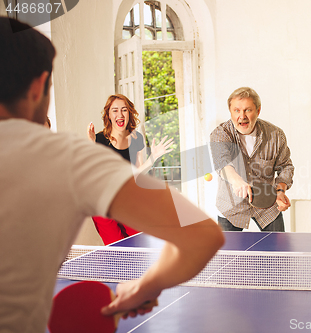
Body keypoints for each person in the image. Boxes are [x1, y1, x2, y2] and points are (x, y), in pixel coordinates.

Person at [0, 17, 224, 333]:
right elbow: (203, 235)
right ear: (38, 87)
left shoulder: (121, 143)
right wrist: (147, 285)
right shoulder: (70, 157)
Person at [87, 94, 174, 244]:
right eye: (114, 110)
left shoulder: (136, 139)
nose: (120, 114)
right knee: (117, 246)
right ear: (108, 114)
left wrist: (152, 159)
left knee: (139, 241)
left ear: (129, 113)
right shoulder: (99, 140)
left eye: (124, 110)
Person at [210, 87, 294, 231]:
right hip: (231, 207)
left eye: (247, 110)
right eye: (237, 110)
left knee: (278, 252)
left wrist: (280, 191)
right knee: (228, 254)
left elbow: (285, 166)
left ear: (258, 110)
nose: (242, 116)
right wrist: (237, 181)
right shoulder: (220, 134)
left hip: (267, 205)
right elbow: (222, 162)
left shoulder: (275, 135)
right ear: (230, 111)